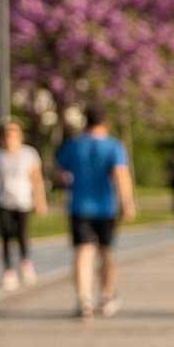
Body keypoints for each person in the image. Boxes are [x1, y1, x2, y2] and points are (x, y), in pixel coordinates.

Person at [56, 105, 136, 319]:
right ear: (106, 123)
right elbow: (120, 174)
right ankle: (106, 296)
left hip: (79, 206)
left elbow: (60, 171)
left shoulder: (73, 145)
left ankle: (84, 299)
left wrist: (67, 179)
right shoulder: (113, 146)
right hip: (105, 207)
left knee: (83, 252)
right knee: (106, 251)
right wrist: (127, 203)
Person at [0, 120, 46, 291]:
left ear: (19, 136)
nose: (9, 138)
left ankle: (25, 261)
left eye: (13, 134)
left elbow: (37, 179)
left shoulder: (29, 154)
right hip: (2, 200)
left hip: (23, 200)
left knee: (21, 234)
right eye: (6, 134)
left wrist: (40, 200)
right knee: (4, 235)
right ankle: (8, 271)